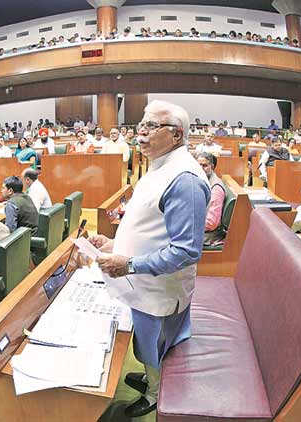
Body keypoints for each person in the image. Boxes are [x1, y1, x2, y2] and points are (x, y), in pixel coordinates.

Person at [87, 100, 210, 417]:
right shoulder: (160, 165)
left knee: (155, 344)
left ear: (176, 135)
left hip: (159, 288)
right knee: (144, 343)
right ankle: (151, 377)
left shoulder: (185, 180)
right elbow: (151, 226)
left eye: (151, 126)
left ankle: (157, 394)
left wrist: (127, 263)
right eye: (140, 125)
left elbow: (185, 250)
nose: (140, 133)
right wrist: (114, 243)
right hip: (141, 282)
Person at [198, 152, 226, 245]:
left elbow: (211, 223)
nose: (201, 169)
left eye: (205, 165)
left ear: (212, 167)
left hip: (209, 236)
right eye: (199, 165)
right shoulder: (205, 180)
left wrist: (189, 224)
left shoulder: (216, 189)